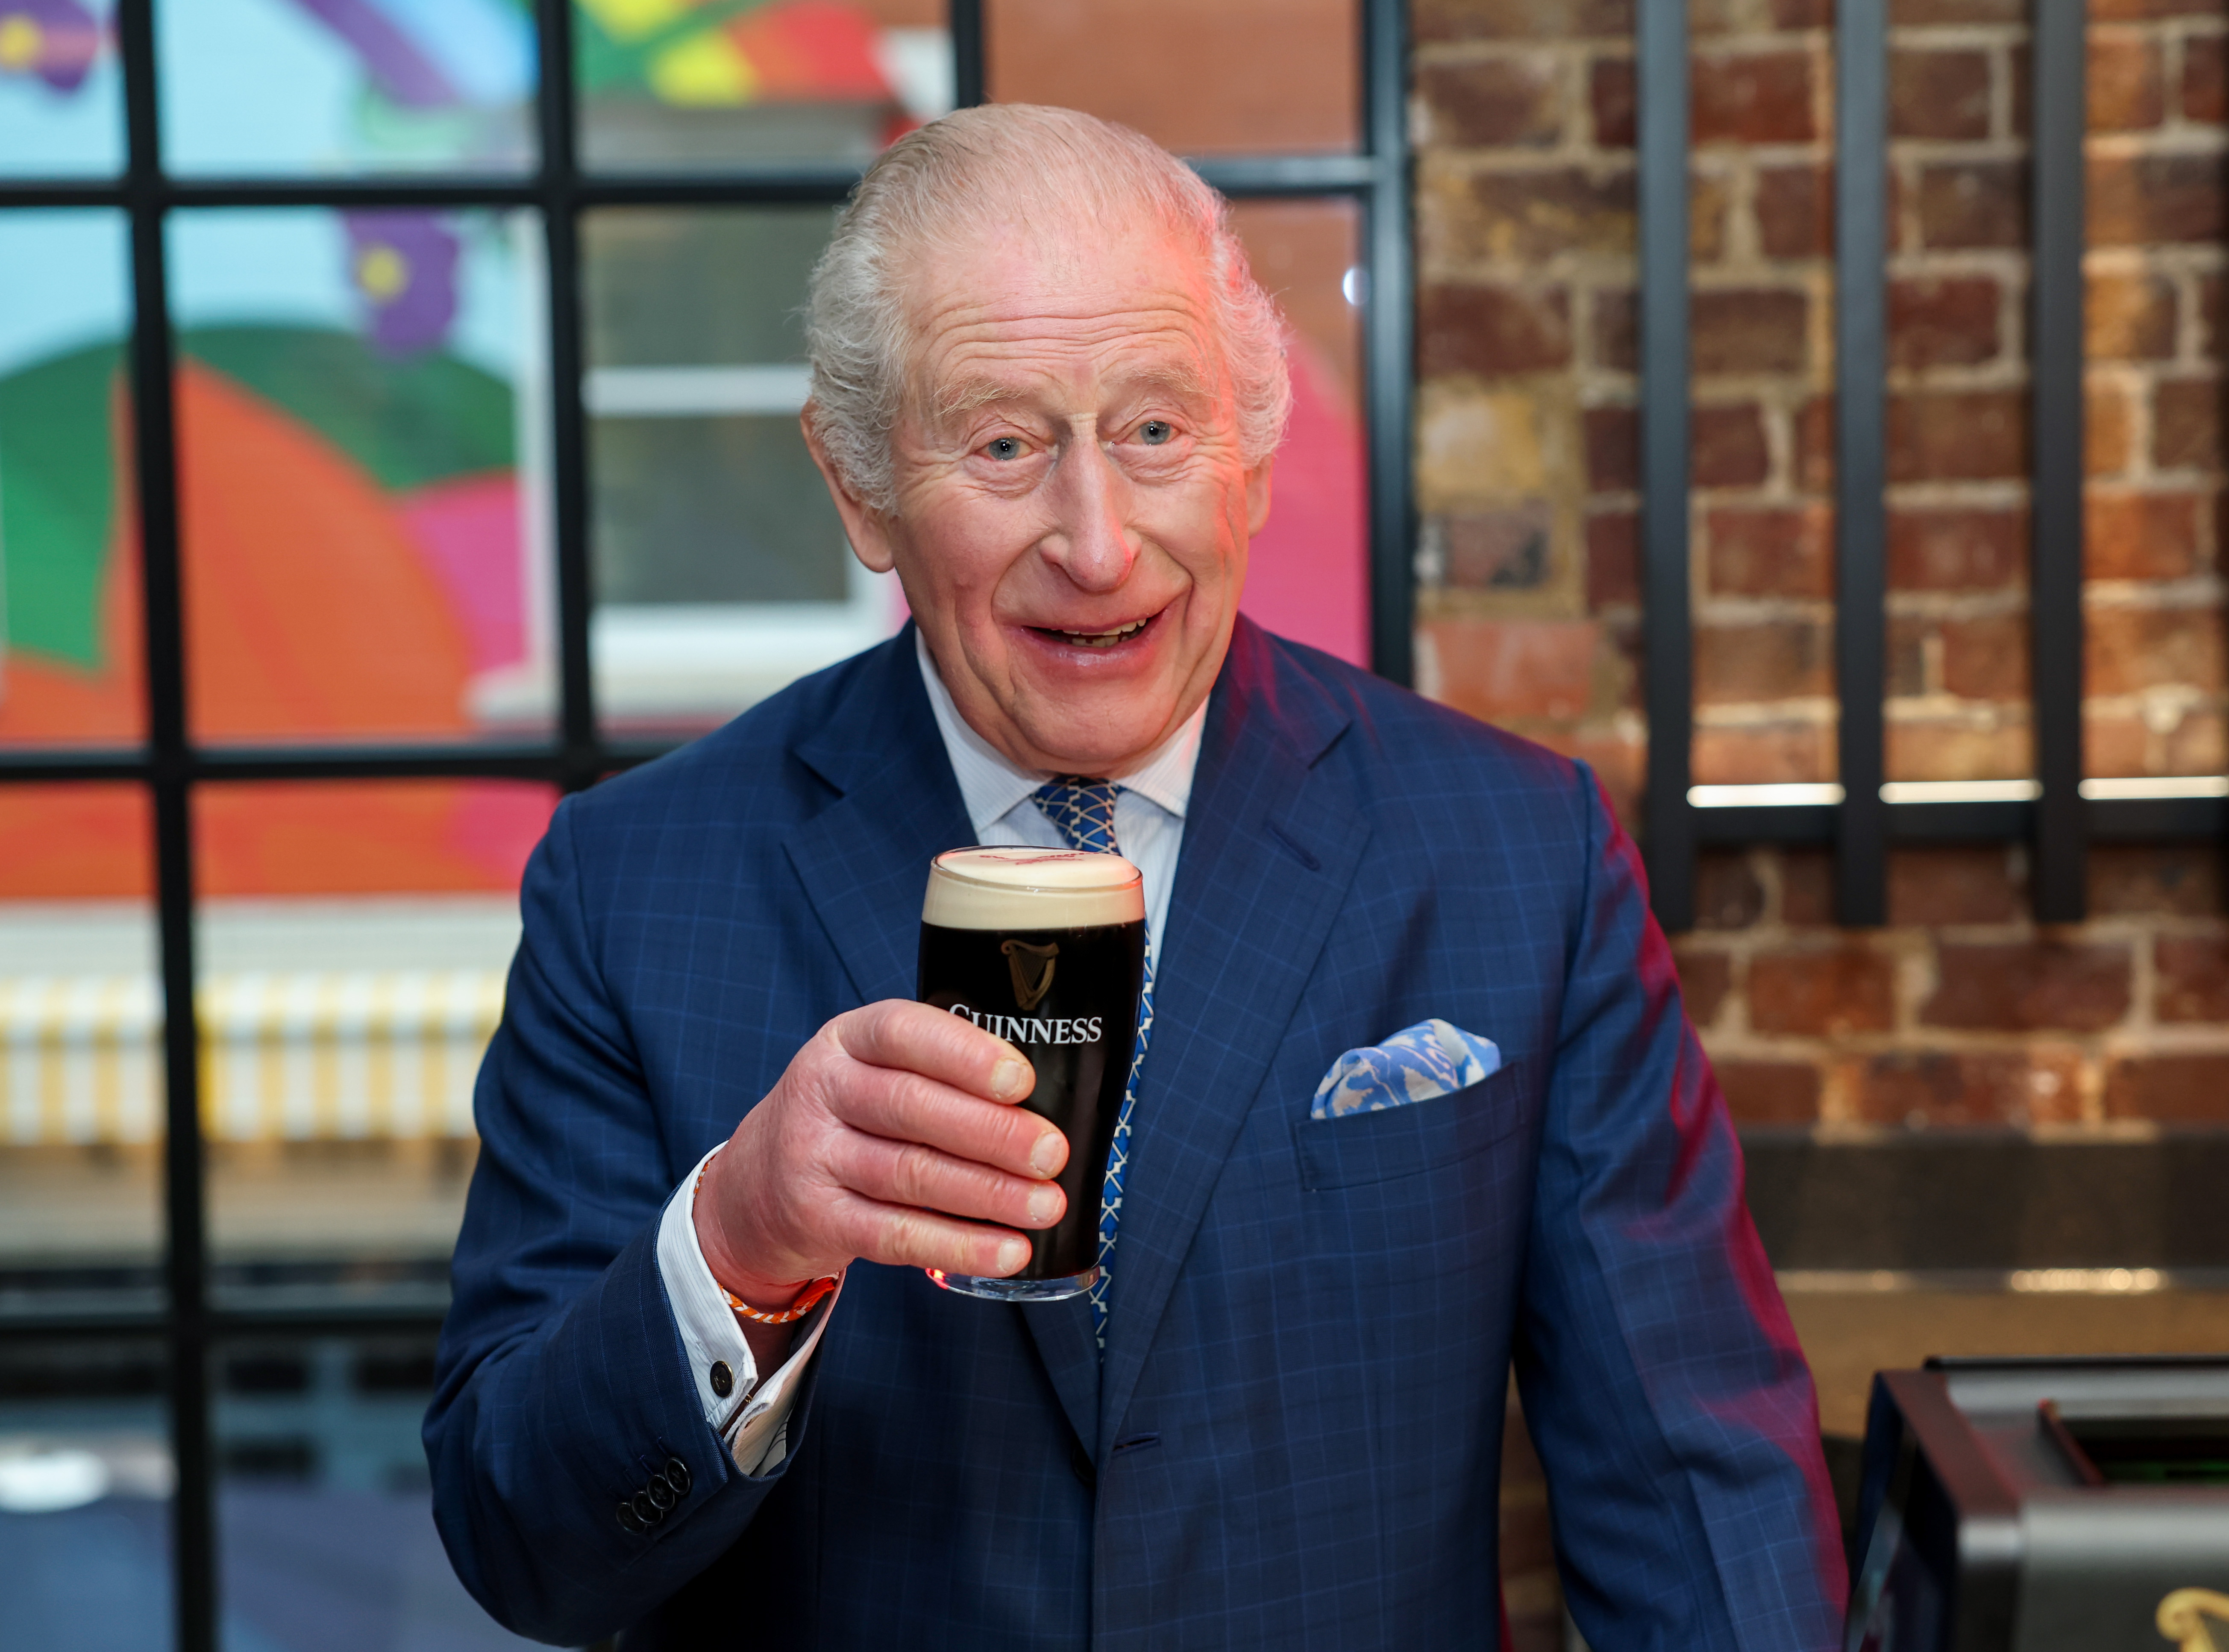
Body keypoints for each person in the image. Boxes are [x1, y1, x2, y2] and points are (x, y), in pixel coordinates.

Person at [423, 103, 1844, 1650]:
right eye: (1006, 443)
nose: (1096, 545)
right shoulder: (631, 885)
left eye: (1157, 430)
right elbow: (524, 1544)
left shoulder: (1517, 850)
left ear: (1250, 448)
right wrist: (745, 1241)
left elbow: (1701, 1503)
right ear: (857, 485)